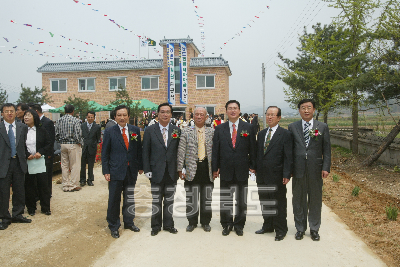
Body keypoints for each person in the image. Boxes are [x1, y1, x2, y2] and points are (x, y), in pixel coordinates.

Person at [288, 99, 331, 241]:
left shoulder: (322, 127)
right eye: (303, 108)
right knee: (298, 200)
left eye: (309, 107)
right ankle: (300, 228)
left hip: (316, 169)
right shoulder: (292, 127)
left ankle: (314, 229)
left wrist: (326, 167)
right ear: (299, 110)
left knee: (315, 200)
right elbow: (290, 151)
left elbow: (327, 149)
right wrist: (289, 170)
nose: (306, 110)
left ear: (314, 110)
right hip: (298, 169)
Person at [212, 100, 256, 236]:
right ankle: (226, 224)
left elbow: (253, 149)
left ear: (239, 110)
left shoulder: (248, 127)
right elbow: (216, 150)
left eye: (235, 108)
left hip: (242, 169)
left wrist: (252, 166)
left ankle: (239, 225)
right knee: (226, 199)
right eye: (230, 108)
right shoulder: (220, 128)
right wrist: (215, 167)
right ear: (226, 111)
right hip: (225, 169)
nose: (232, 110)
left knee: (241, 200)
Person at [102, 105, 143, 239]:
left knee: (129, 198)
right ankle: (114, 226)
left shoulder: (135, 130)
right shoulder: (110, 131)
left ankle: (129, 222)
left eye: (124, 115)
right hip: (115, 171)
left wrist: (140, 166)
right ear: (115, 117)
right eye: (119, 115)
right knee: (114, 199)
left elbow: (138, 150)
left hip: (131, 171)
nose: (122, 117)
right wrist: (106, 170)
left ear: (128, 116)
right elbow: (105, 153)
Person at [255, 106, 293, 241]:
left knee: (279, 203)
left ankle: (281, 229)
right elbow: (259, 154)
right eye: (268, 114)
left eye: (273, 115)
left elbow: (288, 156)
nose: (269, 117)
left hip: (277, 175)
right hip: (262, 175)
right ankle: (268, 225)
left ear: (279, 118)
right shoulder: (261, 134)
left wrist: (287, 174)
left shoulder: (285, 134)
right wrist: (254, 168)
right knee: (265, 202)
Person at [143, 103, 181, 236]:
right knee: (156, 200)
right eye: (162, 112)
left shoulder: (176, 130)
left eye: (168, 112)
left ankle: (169, 225)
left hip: (171, 171)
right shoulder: (150, 130)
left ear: (171, 114)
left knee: (169, 200)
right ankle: (156, 226)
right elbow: (145, 151)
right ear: (158, 114)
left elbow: (179, 151)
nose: (165, 114)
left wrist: (181, 168)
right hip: (156, 171)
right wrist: (147, 168)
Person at [177, 107, 214, 232]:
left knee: (206, 198)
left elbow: (216, 152)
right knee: (191, 198)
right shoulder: (186, 131)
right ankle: (192, 222)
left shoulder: (211, 132)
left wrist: (216, 168)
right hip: (191, 169)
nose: (199, 116)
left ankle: (205, 222)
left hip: (206, 168)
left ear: (206, 117)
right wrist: (179, 168)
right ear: (193, 117)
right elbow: (181, 151)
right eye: (196, 114)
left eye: (201, 114)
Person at [0, 103, 30, 230]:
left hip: (18, 163)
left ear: (16, 112)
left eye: (12, 111)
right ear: (2, 113)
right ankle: (4, 217)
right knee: (3, 192)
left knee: (19, 190)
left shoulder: (22, 127)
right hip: (3, 164)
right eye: (6, 111)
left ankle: (17, 214)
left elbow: (23, 145)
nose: (9, 113)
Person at [24, 109, 52, 216]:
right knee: (29, 185)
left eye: (29, 115)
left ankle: (46, 207)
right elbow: (20, 145)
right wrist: (27, 154)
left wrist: (40, 152)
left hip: (40, 161)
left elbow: (48, 143)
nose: (26, 117)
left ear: (34, 117)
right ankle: (31, 208)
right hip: (28, 161)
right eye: (25, 115)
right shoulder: (22, 130)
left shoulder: (41, 130)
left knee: (43, 185)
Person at [55, 104, 83, 192]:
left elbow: (56, 134)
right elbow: (78, 133)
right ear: (73, 111)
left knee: (64, 165)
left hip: (63, 144)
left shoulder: (59, 120)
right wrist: (79, 142)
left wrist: (60, 141)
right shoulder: (75, 120)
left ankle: (65, 184)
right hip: (73, 144)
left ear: (64, 111)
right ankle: (73, 184)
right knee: (75, 165)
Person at [32, 104, 55, 195]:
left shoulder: (48, 122)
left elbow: (51, 139)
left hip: (46, 154)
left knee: (47, 175)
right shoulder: (33, 124)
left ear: (36, 112)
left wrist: (48, 153)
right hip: (36, 155)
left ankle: (47, 193)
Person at [80, 111, 101, 187]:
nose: (90, 118)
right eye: (89, 117)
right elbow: (80, 136)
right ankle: (82, 180)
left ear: (94, 118)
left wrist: (94, 144)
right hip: (83, 147)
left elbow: (98, 138)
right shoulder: (82, 126)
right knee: (82, 165)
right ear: (86, 117)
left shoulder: (97, 127)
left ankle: (90, 180)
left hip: (92, 148)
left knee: (91, 165)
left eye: (92, 117)